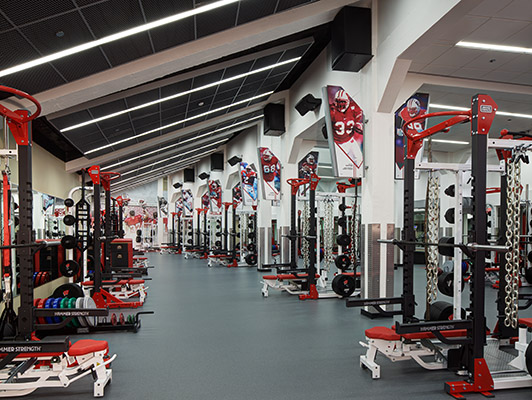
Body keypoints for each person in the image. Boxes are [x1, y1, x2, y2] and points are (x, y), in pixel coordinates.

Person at [329, 89, 364, 168]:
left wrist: (359, 125)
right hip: (337, 143)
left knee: (359, 161)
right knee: (341, 166)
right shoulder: (332, 110)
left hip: (350, 141)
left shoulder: (354, 109)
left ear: (348, 101)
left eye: (343, 102)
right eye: (338, 101)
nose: (340, 104)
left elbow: (358, 123)